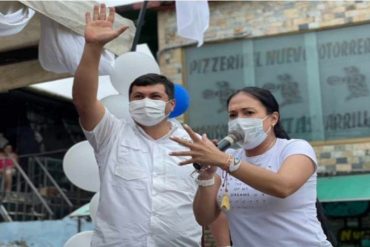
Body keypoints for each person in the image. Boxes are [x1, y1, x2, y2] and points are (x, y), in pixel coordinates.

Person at [72, 3, 202, 246]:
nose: (145, 102)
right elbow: (84, 101)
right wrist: (93, 47)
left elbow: (209, 202)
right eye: (138, 97)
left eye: (155, 97)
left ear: (171, 105)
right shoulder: (110, 134)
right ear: (129, 102)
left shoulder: (194, 144)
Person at [170, 86, 333, 246]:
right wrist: (206, 176)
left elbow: (283, 186)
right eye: (233, 115)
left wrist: (224, 160)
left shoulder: (295, 148)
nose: (239, 120)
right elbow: (204, 218)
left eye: (248, 113)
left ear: (273, 119)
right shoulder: (228, 158)